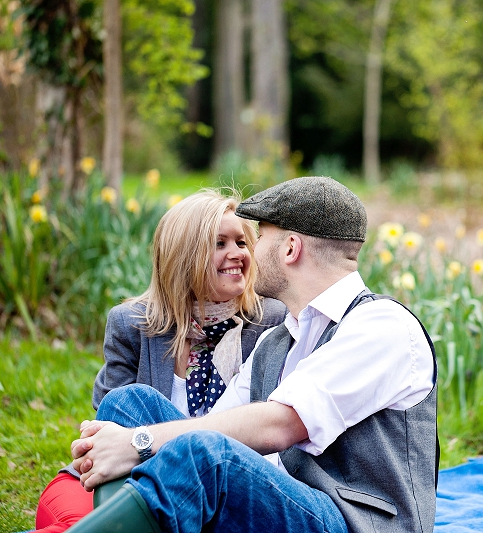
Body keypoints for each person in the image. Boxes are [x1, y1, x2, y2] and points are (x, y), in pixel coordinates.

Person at [66, 176, 438, 533]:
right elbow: (221, 423)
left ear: (291, 248)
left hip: (351, 523)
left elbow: (278, 425)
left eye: (258, 237)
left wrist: (140, 443)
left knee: (205, 454)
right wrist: (139, 434)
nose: (249, 251)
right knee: (130, 404)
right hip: (279, 498)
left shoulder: (382, 326)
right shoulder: (277, 341)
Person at [34, 190, 286, 532]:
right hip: (126, 477)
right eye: (220, 244)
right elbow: (110, 422)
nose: (237, 254)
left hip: (219, 488)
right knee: (74, 520)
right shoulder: (133, 324)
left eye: (242, 242)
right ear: (185, 255)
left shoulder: (271, 321)